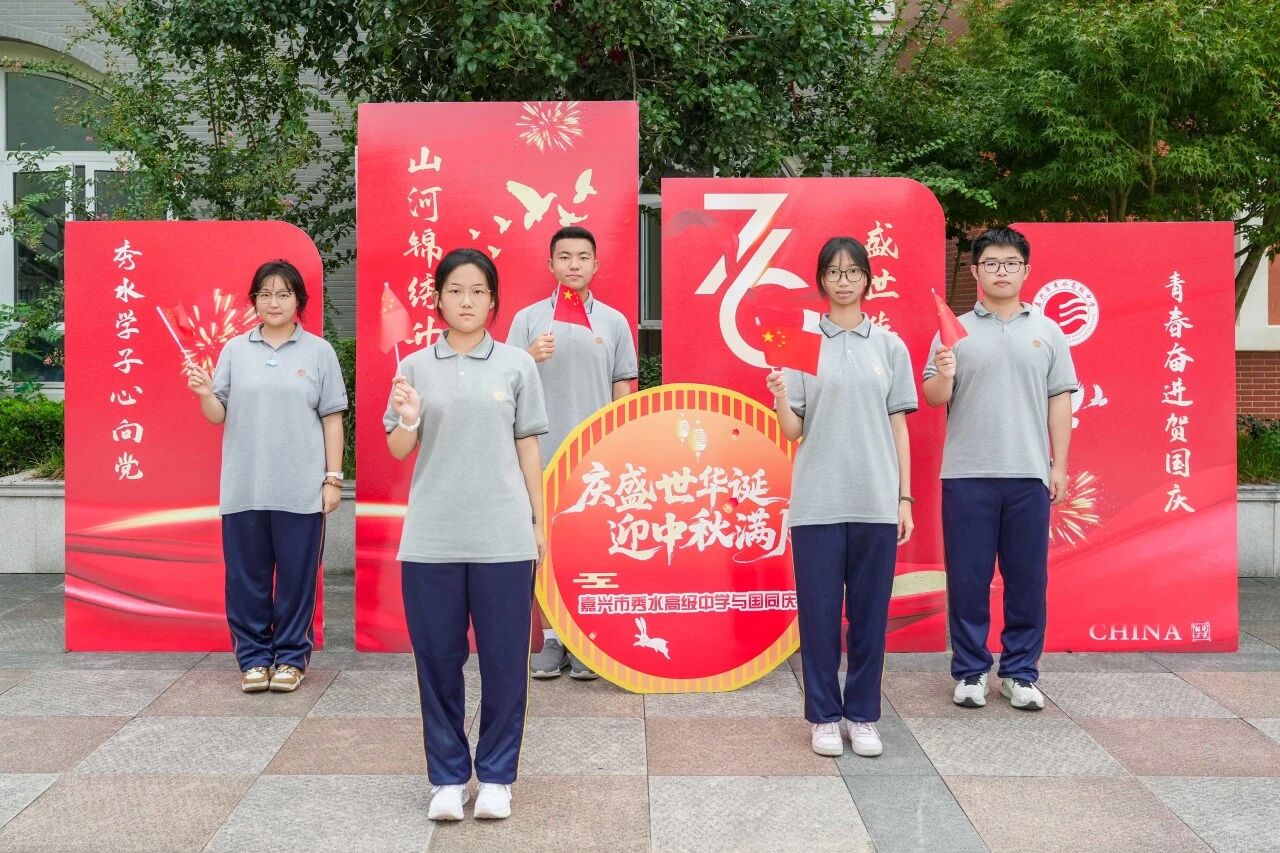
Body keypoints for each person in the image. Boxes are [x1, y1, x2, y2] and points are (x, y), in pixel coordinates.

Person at [385, 247, 548, 822]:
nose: (466, 300)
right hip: (431, 539)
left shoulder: (516, 365)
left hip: (503, 537)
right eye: (455, 289)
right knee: (437, 661)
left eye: (478, 290)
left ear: (493, 301)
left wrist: (539, 522)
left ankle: (498, 776)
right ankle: (448, 778)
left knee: (505, 662)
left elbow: (529, 447)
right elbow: (398, 448)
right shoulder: (413, 368)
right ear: (437, 299)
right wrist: (409, 416)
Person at [766, 236, 917, 759]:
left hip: (876, 500)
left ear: (868, 279)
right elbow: (793, 430)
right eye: (833, 271)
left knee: (871, 618)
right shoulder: (803, 344)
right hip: (818, 502)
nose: (844, 280)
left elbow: (899, 426)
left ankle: (863, 715)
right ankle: (824, 716)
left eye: (853, 271)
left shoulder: (890, 346)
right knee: (820, 616)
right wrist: (781, 398)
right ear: (821, 281)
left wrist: (904, 498)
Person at [921, 226, 1077, 712]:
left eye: (1011, 263)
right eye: (991, 263)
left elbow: (1060, 399)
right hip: (966, 476)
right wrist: (945, 372)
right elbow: (933, 397)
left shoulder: (1048, 331)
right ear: (975, 271)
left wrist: (1059, 465)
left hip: (1029, 474)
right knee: (968, 580)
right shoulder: (954, 331)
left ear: (1026, 270)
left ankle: (1020, 673)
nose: (1001, 271)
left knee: (1027, 581)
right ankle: (970, 671)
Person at [184, 259, 347, 694]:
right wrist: (204, 393)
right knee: (246, 579)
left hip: (301, 488)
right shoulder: (235, 350)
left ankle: (291, 658)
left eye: (283, 294)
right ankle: (254, 659)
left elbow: (332, 418)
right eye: (265, 294)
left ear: (299, 301)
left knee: (297, 579)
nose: (274, 302)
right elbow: (218, 414)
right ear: (254, 300)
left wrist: (333, 478)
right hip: (245, 487)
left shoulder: (319, 352)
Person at [507, 225, 638, 680]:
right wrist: (528, 356)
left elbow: (623, 385)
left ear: (596, 265)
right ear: (551, 265)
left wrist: (622, 443)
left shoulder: (614, 322)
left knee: (590, 548)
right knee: (542, 545)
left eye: (583, 257)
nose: (574, 265)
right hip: (540, 452)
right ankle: (551, 638)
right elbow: (503, 382)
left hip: (595, 457)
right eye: (565, 257)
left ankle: (584, 636)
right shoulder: (528, 319)